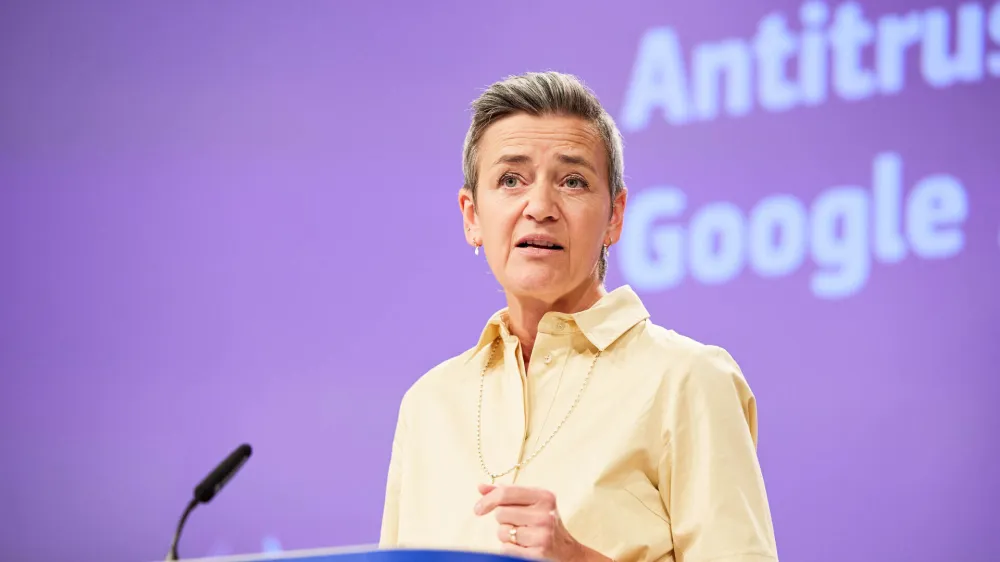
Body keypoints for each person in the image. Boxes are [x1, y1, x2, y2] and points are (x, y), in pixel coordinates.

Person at [378, 71, 778, 562]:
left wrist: (579, 559)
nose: (540, 207)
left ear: (615, 216)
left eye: (573, 181)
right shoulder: (429, 404)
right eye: (510, 180)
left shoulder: (689, 379)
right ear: (471, 216)